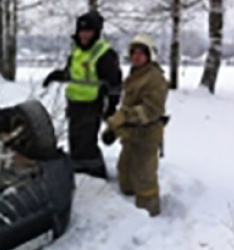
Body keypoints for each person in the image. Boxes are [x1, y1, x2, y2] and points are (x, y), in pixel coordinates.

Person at [42, 10, 122, 179]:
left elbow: (115, 83)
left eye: (88, 31)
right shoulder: (77, 51)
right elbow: (71, 74)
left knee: (86, 144)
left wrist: (111, 107)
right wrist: (56, 76)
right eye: (82, 31)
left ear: (96, 32)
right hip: (74, 103)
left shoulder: (104, 54)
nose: (84, 35)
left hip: (92, 104)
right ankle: (79, 174)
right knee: (75, 141)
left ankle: (95, 176)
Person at [101, 34, 169, 217]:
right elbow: (127, 105)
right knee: (125, 176)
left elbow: (151, 110)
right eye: (134, 53)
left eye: (141, 53)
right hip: (131, 136)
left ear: (150, 55)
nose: (136, 56)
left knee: (144, 177)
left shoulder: (155, 78)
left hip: (147, 135)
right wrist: (114, 129)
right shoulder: (135, 75)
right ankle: (129, 212)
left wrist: (122, 117)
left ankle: (150, 214)